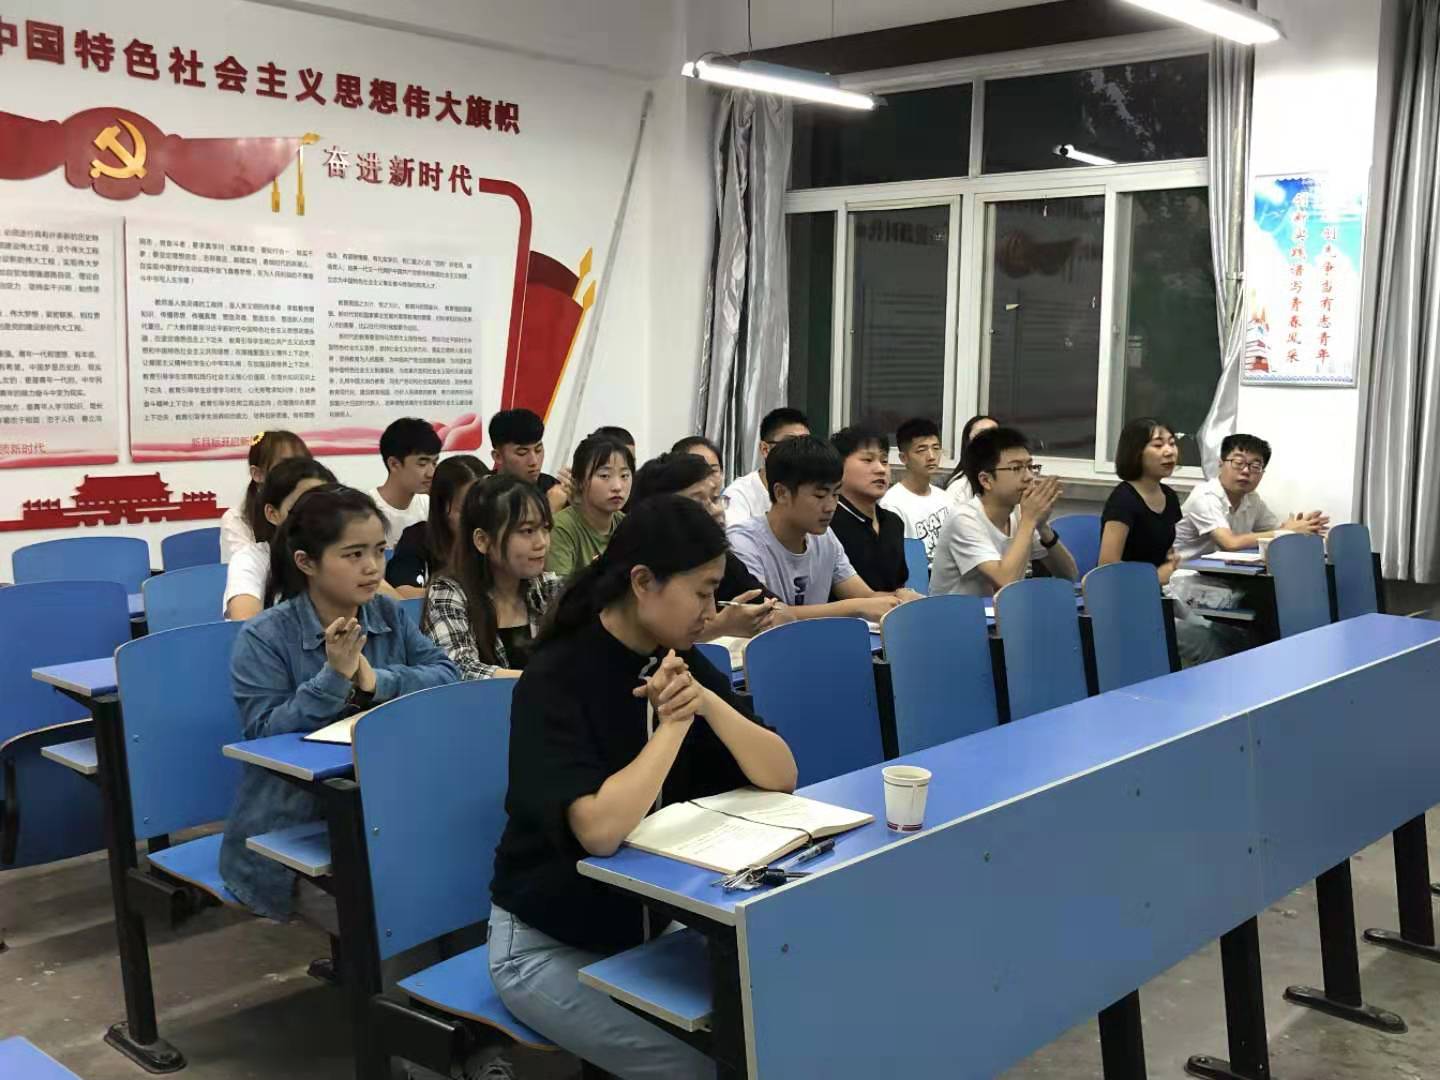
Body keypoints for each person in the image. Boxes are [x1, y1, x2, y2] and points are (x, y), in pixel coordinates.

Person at [488, 495, 797, 1080]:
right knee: (705, 1067)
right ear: (642, 582)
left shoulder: (676, 658)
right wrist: (673, 726)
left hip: (651, 925)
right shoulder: (555, 677)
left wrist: (706, 702)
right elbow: (599, 832)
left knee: (773, 1028)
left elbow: (781, 774)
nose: (712, 611)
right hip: (545, 945)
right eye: (702, 592)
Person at [220, 486, 459, 921]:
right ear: (306, 562)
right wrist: (333, 677)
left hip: (387, 809)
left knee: (458, 892)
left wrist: (374, 681)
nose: (372, 567)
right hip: (293, 830)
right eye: (353, 555)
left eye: (380, 551)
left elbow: (446, 675)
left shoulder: (386, 614)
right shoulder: (263, 637)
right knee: (394, 919)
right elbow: (264, 736)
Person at [727, 435, 905, 621]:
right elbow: (766, 615)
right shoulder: (744, 542)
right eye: (820, 496)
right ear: (781, 493)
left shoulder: (824, 538)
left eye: (836, 494)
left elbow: (865, 596)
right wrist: (856, 607)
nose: (831, 506)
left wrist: (900, 599)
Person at [422, 475, 563, 680]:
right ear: (482, 540)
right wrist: (539, 682)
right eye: (527, 531)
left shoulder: (547, 588)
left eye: (545, 528)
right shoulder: (448, 592)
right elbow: (458, 670)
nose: (541, 542)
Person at [631, 452, 786, 639]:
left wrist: (765, 614)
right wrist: (720, 626)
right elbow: (648, 639)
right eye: (698, 503)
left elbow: (781, 612)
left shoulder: (720, 559)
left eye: (715, 498)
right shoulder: (643, 565)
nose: (716, 510)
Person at [929, 427, 1077, 597]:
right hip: (954, 613)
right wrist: (1029, 520)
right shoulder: (964, 519)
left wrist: (1043, 528)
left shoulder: (1020, 513)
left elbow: (1069, 575)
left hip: (1001, 612)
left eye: (1031, 467)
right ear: (986, 480)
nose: (1029, 476)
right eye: (1016, 468)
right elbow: (1006, 583)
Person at [1174, 434, 1329, 561]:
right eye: (1238, 462)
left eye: (1255, 466)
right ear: (1220, 463)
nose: (1246, 471)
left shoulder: (1252, 499)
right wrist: (1286, 532)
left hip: (1222, 575)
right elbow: (1230, 543)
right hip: (1185, 577)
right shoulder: (1205, 496)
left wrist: (1302, 527)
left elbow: (1274, 531)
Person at [223, 457, 336, 621]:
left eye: (325, 507)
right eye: (302, 506)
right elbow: (244, 625)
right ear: (272, 513)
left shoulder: (344, 555)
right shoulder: (252, 559)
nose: (315, 516)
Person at [829, 426, 917, 596]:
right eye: (868, 460)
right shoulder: (827, 523)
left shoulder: (893, 522)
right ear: (839, 466)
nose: (881, 469)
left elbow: (899, 585)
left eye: (884, 461)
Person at [386, 455, 490, 593]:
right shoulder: (418, 538)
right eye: (465, 510)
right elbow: (402, 590)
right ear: (441, 507)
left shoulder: (503, 539)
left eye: (486, 508)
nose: (478, 518)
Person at [1099, 418, 1184, 583]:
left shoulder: (1170, 496)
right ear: (1136, 452)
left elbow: (1165, 551)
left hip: (1160, 589)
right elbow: (1107, 569)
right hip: (1125, 591)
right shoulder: (1123, 500)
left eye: (1172, 443)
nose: (1169, 452)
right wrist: (1155, 577)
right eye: (1158, 445)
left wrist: (1172, 560)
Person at [546, 435, 634, 580]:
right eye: (605, 476)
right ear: (579, 481)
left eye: (624, 475)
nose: (618, 487)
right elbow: (559, 590)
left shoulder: (628, 525)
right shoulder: (562, 528)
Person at [221, 431, 311, 563]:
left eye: (303, 463)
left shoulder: (317, 509)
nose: (298, 473)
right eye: (286, 465)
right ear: (257, 474)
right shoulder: (237, 519)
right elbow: (245, 569)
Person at [880, 417, 954, 564]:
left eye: (936, 448)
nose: (931, 457)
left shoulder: (946, 498)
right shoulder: (891, 505)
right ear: (903, 458)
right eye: (921, 450)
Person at [722, 407, 810, 526]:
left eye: (806, 444)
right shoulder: (739, 495)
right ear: (765, 449)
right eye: (790, 443)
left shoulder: (812, 492)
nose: (801, 452)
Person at [370, 417, 440, 548]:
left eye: (434, 463)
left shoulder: (429, 507)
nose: (431, 473)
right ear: (394, 464)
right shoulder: (366, 509)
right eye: (422, 464)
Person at [489, 408, 574, 513]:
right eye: (522, 453)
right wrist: (550, 510)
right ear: (498, 456)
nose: (534, 461)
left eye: (538, 450)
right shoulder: (482, 495)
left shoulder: (551, 487)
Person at [944, 414, 999, 505]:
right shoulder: (959, 489)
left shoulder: (1009, 480)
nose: (990, 440)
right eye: (982, 434)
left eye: (996, 434)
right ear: (968, 442)